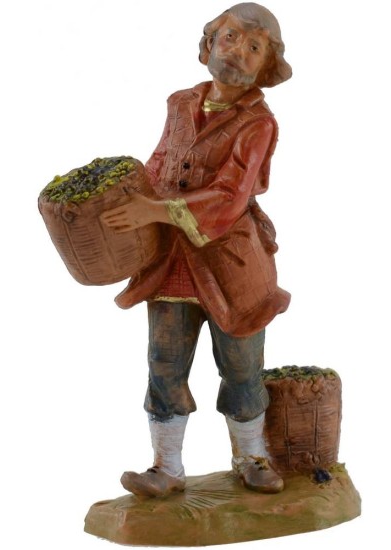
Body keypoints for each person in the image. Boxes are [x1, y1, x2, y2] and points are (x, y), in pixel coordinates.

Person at [102, 2, 292, 497]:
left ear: (265, 68)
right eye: (229, 37)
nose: (237, 51)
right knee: (164, 364)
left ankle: (251, 456)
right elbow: (161, 161)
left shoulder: (258, 124)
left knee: (241, 367)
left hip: (232, 265)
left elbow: (231, 196)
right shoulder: (180, 103)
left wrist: (154, 210)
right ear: (209, 44)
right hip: (171, 262)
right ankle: (166, 468)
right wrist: (128, 197)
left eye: (254, 47)